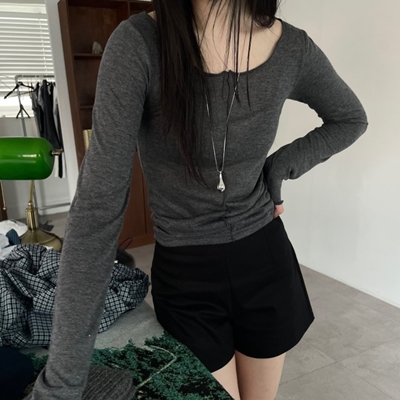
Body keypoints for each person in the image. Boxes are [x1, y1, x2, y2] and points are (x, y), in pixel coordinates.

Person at [28, 0, 368, 399]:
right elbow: (97, 210)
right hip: (187, 276)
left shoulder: (291, 47)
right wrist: (61, 385)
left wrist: (278, 168)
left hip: (265, 259)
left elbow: (350, 118)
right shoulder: (138, 44)